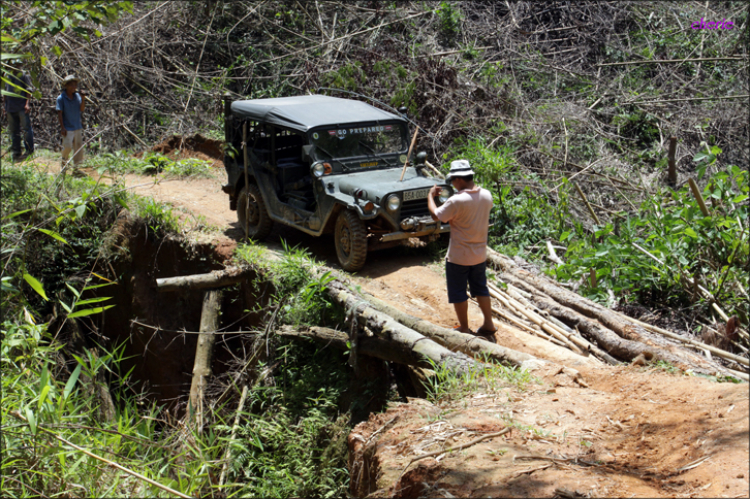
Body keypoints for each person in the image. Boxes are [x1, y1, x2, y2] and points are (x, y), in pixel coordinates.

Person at [427, 160, 496, 335]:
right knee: (481, 288)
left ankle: (464, 327)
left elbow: (436, 216)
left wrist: (430, 196)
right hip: (479, 254)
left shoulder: (457, 200)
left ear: (458, 179)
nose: (453, 184)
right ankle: (489, 323)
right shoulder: (487, 195)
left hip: (459, 256)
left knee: (458, 292)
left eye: (453, 181)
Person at [4, 64, 35, 161]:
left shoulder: (24, 75)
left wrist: (27, 104)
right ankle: (16, 153)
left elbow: (28, 90)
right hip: (10, 107)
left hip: (21, 107)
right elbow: (5, 92)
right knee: (14, 131)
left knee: (26, 129)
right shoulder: (7, 76)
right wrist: (5, 106)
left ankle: (29, 151)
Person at [56, 74, 86, 172]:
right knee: (67, 147)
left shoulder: (77, 96)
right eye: (71, 85)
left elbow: (81, 109)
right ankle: (64, 163)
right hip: (68, 127)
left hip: (77, 126)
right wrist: (62, 127)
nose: (74, 87)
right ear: (66, 86)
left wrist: (83, 98)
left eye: (75, 85)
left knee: (78, 148)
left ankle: (76, 169)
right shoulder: (61, 98)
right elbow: (60, 113)